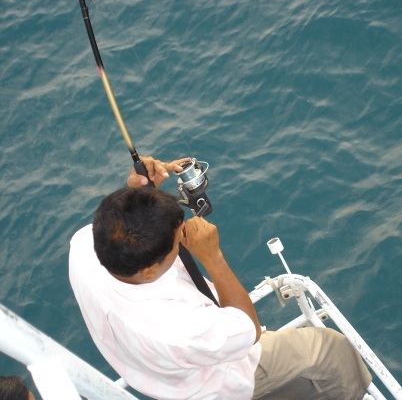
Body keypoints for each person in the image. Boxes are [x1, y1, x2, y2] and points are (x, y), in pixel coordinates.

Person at [69, 156, 372, 400]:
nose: (187, 234)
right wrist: (213, 256)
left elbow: (126, 227)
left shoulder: (83, 246)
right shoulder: (182, 327)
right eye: (179, 241)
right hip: (224, 380)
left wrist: (140, 195)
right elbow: (248, 330)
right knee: (332, 351)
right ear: (147, 270)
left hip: (168, 376)